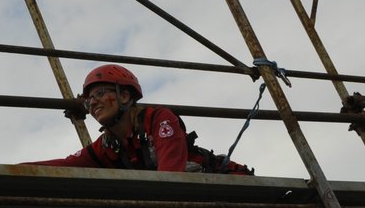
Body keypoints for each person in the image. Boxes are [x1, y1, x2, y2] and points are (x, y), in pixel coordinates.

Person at [25, 64, 253, 174]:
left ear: (124, 96)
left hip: (232, 185)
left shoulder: (158, 119)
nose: (92, 103)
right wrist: (8, 169)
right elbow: (63, 165)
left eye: (100, 93)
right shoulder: (108, 145)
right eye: (88, 100)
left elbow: (171, 175)